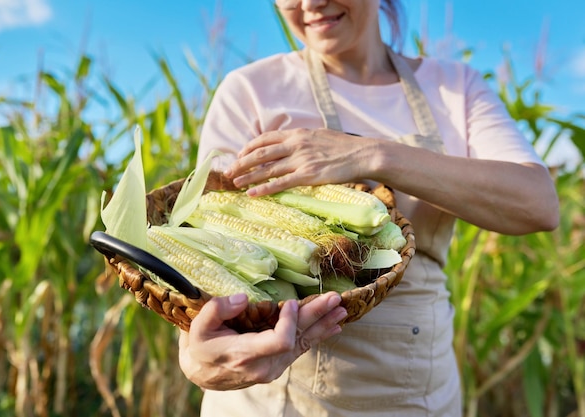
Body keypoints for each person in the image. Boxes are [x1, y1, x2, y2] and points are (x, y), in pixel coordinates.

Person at [178, 0, 560, 416]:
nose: (309, 4)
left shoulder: (455, 87)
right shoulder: (252, 90)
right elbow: (211, 242)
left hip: (418, 392)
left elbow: (537, 203)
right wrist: (200, 359)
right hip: (281, 398)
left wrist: (373, 155)